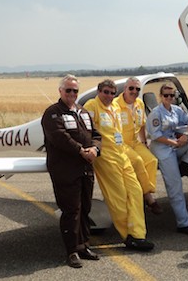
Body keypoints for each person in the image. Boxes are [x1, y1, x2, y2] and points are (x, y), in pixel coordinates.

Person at [84, 79, 154, 251]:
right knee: (119, 197)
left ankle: (139, 234)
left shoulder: (115, 107)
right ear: (99, 92)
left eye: (111, 93)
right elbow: (86, 131)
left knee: (136, 192)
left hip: (121, 153)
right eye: (105, 92)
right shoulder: (92, 106)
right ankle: (128, 235)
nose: (108, 96)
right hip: (106, 157)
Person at [41, 75, 102, 268]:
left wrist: (94, 149)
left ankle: (84, 245)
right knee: (71, 211)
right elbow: (59, 136)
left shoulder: (83, 112)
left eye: (75, 91)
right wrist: (80, 150)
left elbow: (96, 134)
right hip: (65, 170)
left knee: (85, 208)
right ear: (60, 91)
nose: (72, 94)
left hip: (85, 169)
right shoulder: (52, 113)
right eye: (68, 90)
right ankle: (72, 251)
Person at [146, 82, 188, 235]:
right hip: (162, 149)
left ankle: (185, 165)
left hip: (175, 145)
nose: (169, 98)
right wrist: (174, 142)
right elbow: (156, 135)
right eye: (166, 95)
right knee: (175, 187)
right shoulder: (156, 113)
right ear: (161, 96)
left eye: (172, 95)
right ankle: (183, 224)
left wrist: (186, 135)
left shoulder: (176, 110)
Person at [115, 77, 162, 215]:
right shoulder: (115, 105)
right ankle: (149, 198)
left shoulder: (139, 104)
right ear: (125, 89)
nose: (134, 91)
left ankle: (144, 192)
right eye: (131, 88)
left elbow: (141, 124)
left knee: (152, 160)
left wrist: (144, 142)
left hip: (135, 141)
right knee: (138, 161)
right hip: (121, 143)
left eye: (137, 89)